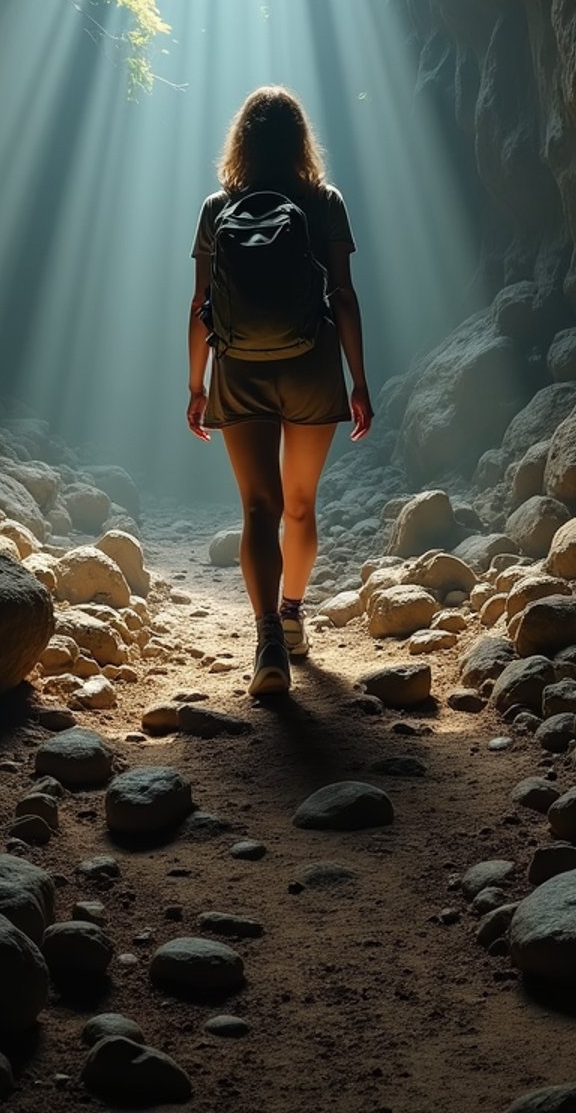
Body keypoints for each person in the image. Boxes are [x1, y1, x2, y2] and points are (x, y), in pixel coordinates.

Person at [187, 85, 373, 696]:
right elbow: (342, 295)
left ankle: (267, 639)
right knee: (299, 504)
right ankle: (292, 617)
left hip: (237, 368)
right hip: (313, 366)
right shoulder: (324, 202)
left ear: (241, 141)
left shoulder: (218, 207)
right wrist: (359, 381)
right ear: (299, 140)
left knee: (257, 510)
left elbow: (201, 306)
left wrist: (196, 384)